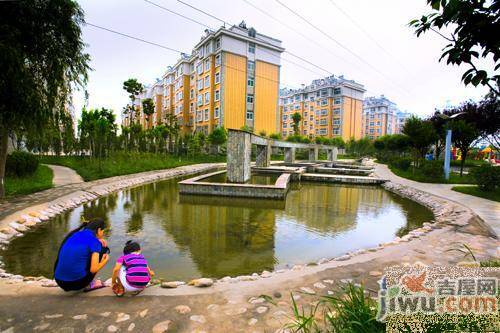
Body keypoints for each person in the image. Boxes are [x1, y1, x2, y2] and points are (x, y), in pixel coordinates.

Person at [54, 218, 110, 292]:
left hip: (59, 281)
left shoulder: (74, 234)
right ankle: (91, 283)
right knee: (103, 249)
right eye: (103, 231)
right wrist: (105, 260)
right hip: (76, 283)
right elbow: (93, 270)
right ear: (99, 230)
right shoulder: (94, 241)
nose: (103, 233)